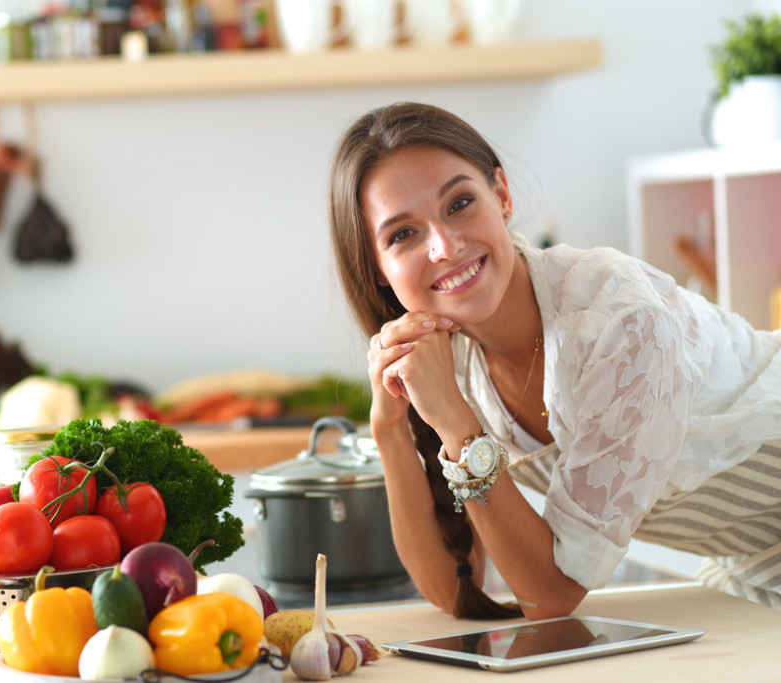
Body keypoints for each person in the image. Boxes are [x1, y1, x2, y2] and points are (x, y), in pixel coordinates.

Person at [327, 101, 781, 620]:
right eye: (403, 234)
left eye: (459, 204)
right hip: (751, 565)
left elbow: (554, 594)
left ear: (501, 195)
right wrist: (388, 428)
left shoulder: (622, 323)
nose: (446, 247)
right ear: (378, 267)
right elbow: (456, 590)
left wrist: (458, 424)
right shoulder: (446, 360)